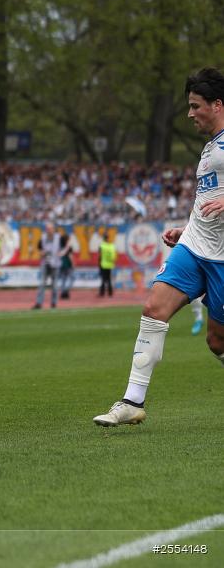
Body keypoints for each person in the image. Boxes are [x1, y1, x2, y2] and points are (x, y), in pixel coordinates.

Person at [94, 67, 224, 427]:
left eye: (196, 106)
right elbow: (210, 198)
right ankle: (132, 401)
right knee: (153, 308)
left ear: (217, 104)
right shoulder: (211, 146)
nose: (190, 113)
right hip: (196, 246)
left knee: (217, 341)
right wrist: (187, 229)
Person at [33, 222, 61, 309]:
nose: (48, 230)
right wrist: (41, 253)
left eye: (50, 228)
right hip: (45, 262)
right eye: (47, 229)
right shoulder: (43, 237)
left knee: (55, 285)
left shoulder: (59, 238)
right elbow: (39, 248)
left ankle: (54, 303)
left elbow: (67, 244)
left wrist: (62, 252)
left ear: (53, 229)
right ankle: (39, 303)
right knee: (41, 284)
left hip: (55, 263)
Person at [98, 232, 117, 297]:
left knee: (103, 279)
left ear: (103, 238)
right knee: (109, 279)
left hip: (103, 264)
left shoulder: (102, 246)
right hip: (110, 264)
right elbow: (114, 256)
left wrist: (99, 263)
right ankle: (110, 293)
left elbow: (99, 256)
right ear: (108, 238)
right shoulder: (111, 246)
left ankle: (102, 292)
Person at [58, 227, 74, 299]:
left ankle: (63, 292)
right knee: (71, 279)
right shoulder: (69, 247)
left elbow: (59, 255)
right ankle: (66, 291)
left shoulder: (60, 247)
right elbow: (70, 256)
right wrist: (73, 264)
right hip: (68, 264)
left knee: (63, 279)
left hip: (61, 264)